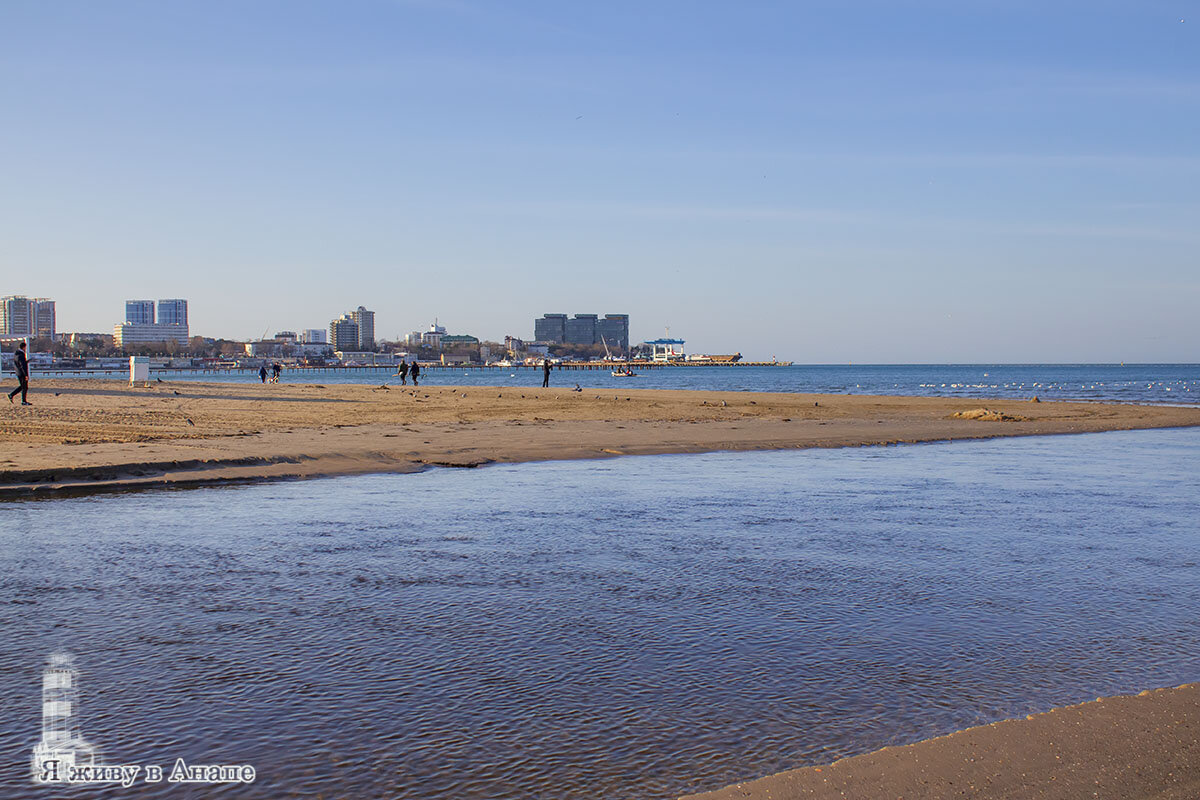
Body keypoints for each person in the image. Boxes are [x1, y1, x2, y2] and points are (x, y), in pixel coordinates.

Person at [8, 341, 31, 405]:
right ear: (24, 347)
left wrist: (26, 362)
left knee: (22, 386)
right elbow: (22, 366)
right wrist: (26, 375)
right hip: (21, 373)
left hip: (18, 372)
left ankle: (11, 395)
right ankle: (23, 401)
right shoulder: (20, 355)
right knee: (24, 387)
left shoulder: (16, 354)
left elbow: (19, 363)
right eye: (25, 348)